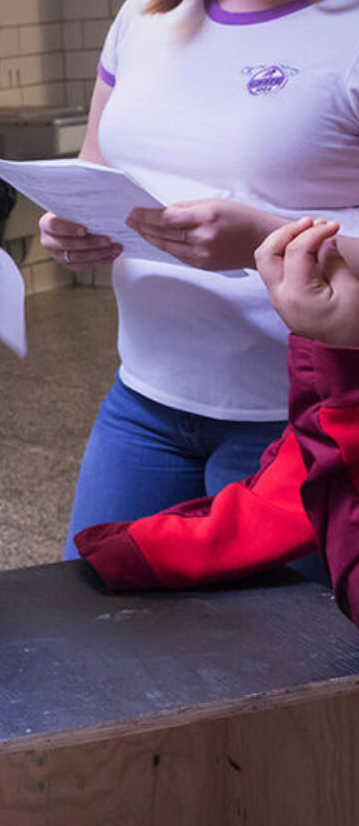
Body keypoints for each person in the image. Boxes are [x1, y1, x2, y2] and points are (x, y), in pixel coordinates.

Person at [41, 0, 359, 556]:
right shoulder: (147, 14)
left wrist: (259, 243)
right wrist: (75, 224)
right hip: (146, 400)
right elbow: (97, 170)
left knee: (272, 672)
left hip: (296, 419)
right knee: (91, 630)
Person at [76, 216, 359, 625]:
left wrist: (339, 355)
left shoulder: (339, 412)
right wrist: (132, 550)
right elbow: (277, 506)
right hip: (148, 393)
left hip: (280, 405)